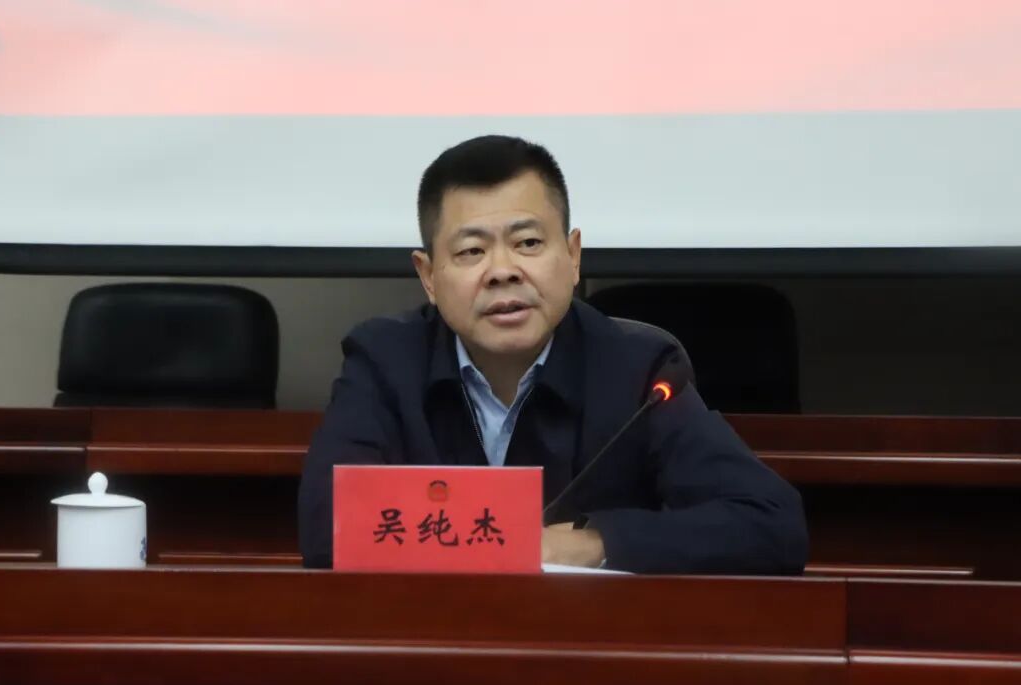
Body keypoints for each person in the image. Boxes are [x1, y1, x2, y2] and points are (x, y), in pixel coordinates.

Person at [298, 135, 807, 573]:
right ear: (428, 276)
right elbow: (327, 532)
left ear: (573, 255)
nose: (502, 271)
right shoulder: (385, 361)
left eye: (527, 243)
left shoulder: (637, 370)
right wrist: (508, 543)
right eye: (472, 251)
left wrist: (592, 543)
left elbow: (772, 524)